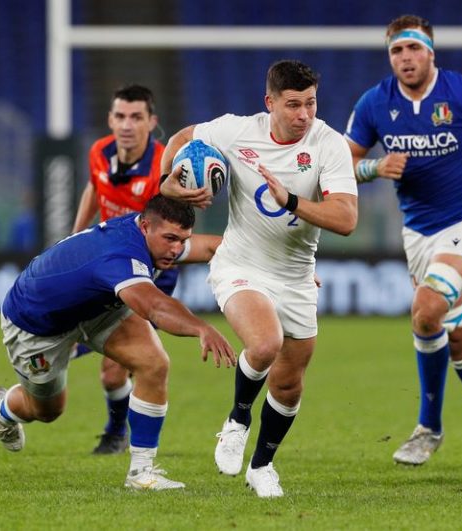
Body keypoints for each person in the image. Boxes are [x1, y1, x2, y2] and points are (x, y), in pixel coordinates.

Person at [343, 14, 462, 469]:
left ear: (431, 52)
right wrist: (375, 168)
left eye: (413, 49)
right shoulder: (375, 104)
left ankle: (428, 427)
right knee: (457, 336)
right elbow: (341, 164)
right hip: (418, 233)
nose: (406, 58)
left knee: (427, 310)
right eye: (396, 51)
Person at [159, 59, 358, 497]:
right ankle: (237, 419)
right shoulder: (236, 131)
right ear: (270, 103)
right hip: (241, 265)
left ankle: (262, 466)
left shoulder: (329, 144)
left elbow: (345, 218)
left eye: (310, 103)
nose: (304, 114)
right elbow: (180, 138)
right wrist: (166, 182)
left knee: (289, 384)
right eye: (293, 105)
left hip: (297, 277)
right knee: (265, 343)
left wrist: (290, 200)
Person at [0, 195, 236, 490]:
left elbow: (212, 248)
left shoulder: (153, 235)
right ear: (145, 227)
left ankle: (141, 473)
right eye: (171, 239)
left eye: (182, 240)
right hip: (37, 323)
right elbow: (155, 307)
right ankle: (3, 409)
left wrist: (281, 267)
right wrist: (201, 328)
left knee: (153, 363)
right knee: (47, 411)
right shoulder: (120, 255)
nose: (176, 249)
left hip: (98, 307)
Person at [72, 84, 182, 455]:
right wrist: (74, 238)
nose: (127, 125)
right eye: (120, 116)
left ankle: (118, 431)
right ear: (110, 119)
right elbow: (93, 188)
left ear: (152, 122)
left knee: (115, 368)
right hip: (104, 267)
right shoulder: (98, 152)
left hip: (148, 274)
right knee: (108, 363)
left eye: (136, 117)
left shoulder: (164, 167)